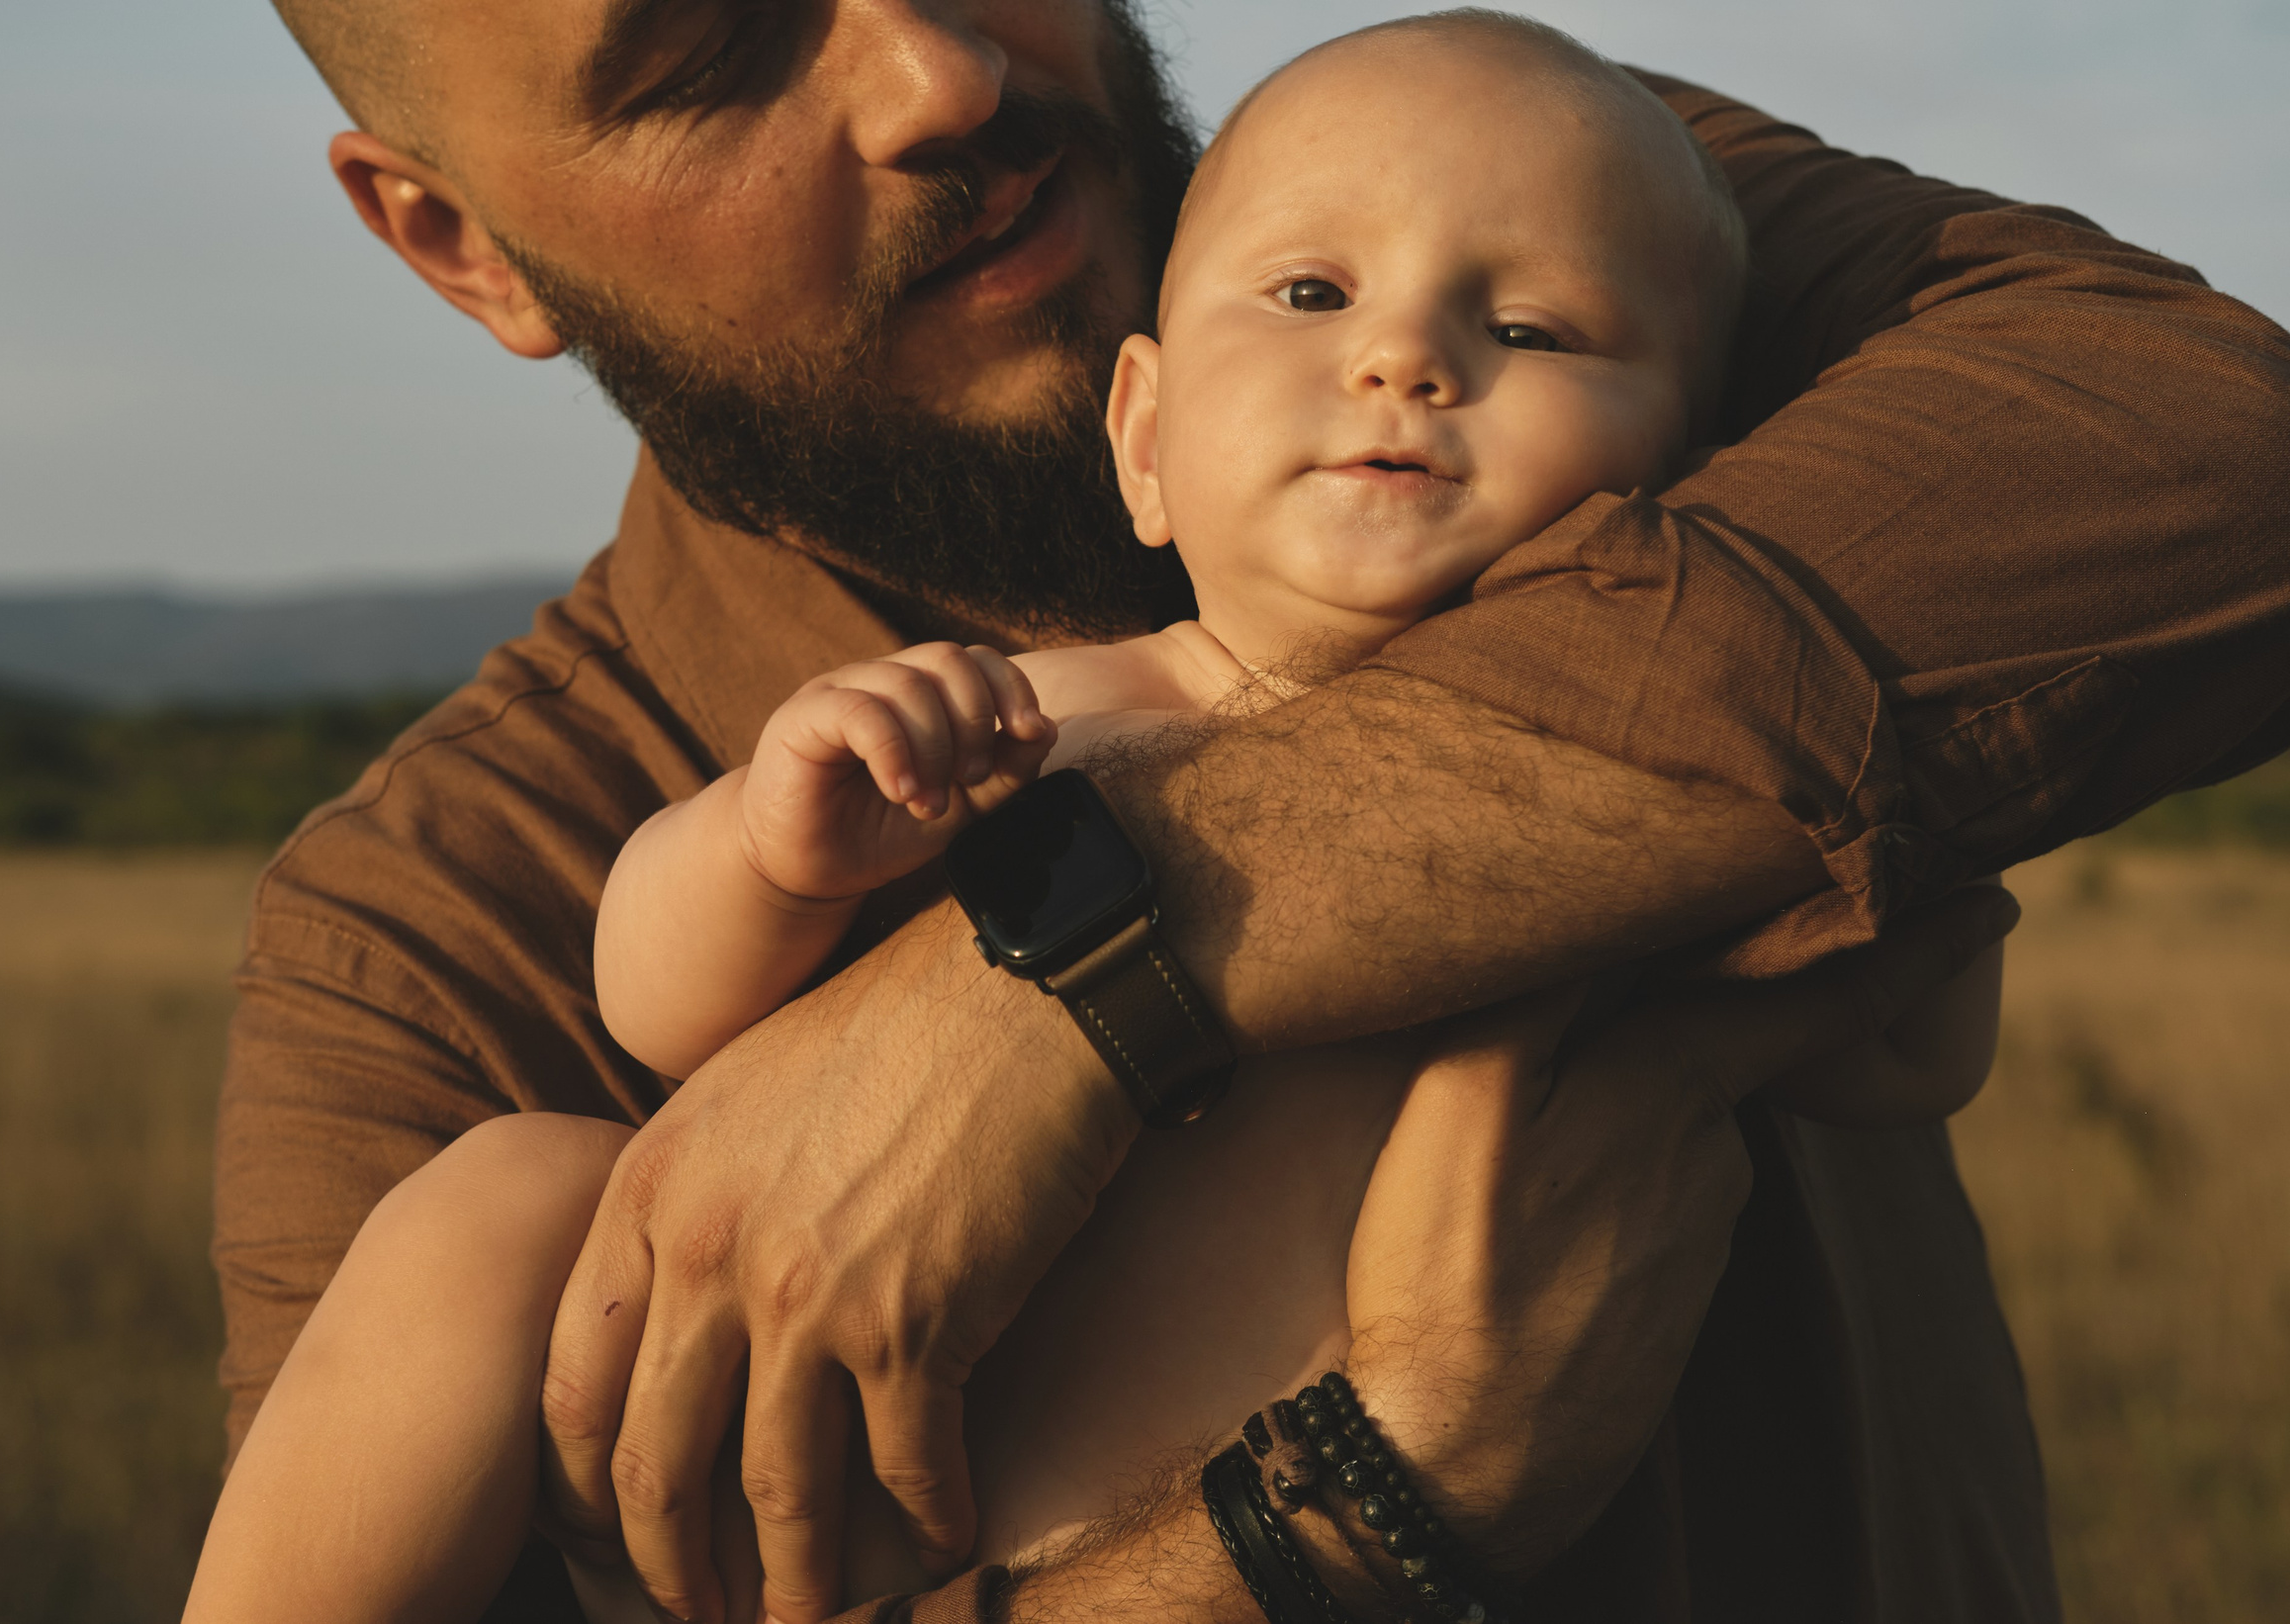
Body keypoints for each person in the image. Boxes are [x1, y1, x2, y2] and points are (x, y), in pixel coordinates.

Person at [215, 0, 2290, 1617]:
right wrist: (1368, 1496)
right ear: (459, 240)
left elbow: (2204, 445)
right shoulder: (419, 943)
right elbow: (654, 983)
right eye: (702, 57)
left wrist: (1073, 971)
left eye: (1526, 331)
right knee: (499, 1214)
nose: (940, 74)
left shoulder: (1531, 166)